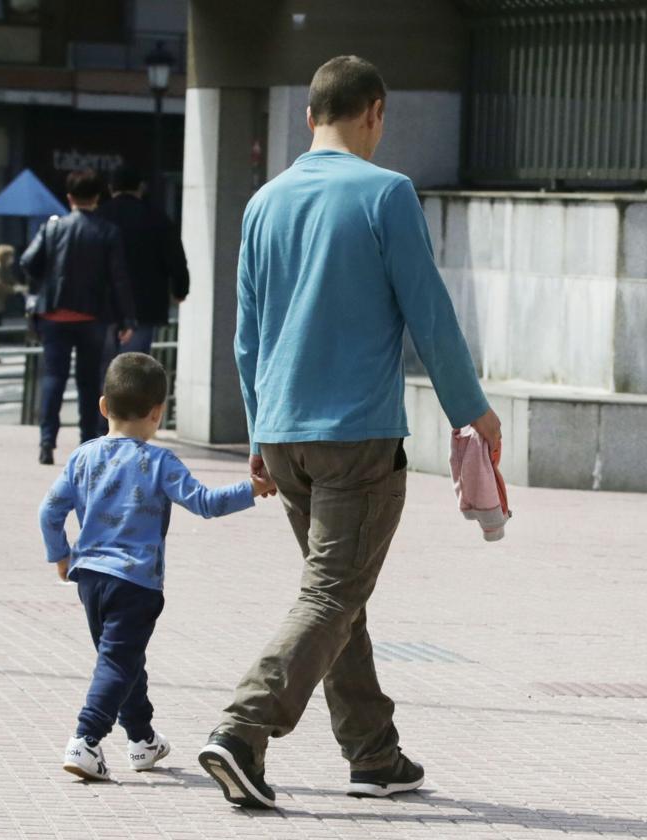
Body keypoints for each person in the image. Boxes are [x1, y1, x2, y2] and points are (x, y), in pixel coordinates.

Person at [197, 55, 503, 810]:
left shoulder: (264, 203)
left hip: (285, 434)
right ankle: (243, 728)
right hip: (357, 434)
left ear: (309, 116)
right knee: (333, 592)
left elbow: (248, 335)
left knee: (339, 596)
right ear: (374, 113)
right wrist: (473, 410)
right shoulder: (387, 192)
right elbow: (427, 312)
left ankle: (374, 755)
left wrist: (258, 435)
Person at [39, 352, 276, 782]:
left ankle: (142, 740)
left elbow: (49, 511)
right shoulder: (160, 463)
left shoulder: (82, 458)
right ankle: (85, 739)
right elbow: (205, 503)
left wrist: (61, 555)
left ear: (103, 407)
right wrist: (252, 489)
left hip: (90, 579)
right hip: (135, 583)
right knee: (116, 661)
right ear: (158, 412)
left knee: (125, 659)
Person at [21, 169, 136, 466]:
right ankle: (86, 443)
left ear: (69, 197)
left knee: (53, 377)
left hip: (54, 315)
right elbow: (119, 278)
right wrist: (127, 319)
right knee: (89, 381)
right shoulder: (108, 231)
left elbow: (28, 262)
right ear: (97, 197)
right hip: (92, 316)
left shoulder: (52, 227)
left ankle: (47, 443)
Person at [96, 164, 189, 356]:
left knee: (102, 369)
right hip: (144, 304)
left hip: (102, 304)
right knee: (132, 368)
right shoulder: (157, 218)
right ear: (141, 187)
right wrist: (180, 289)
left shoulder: (98, 218)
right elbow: (175, 258)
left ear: (111, 187)